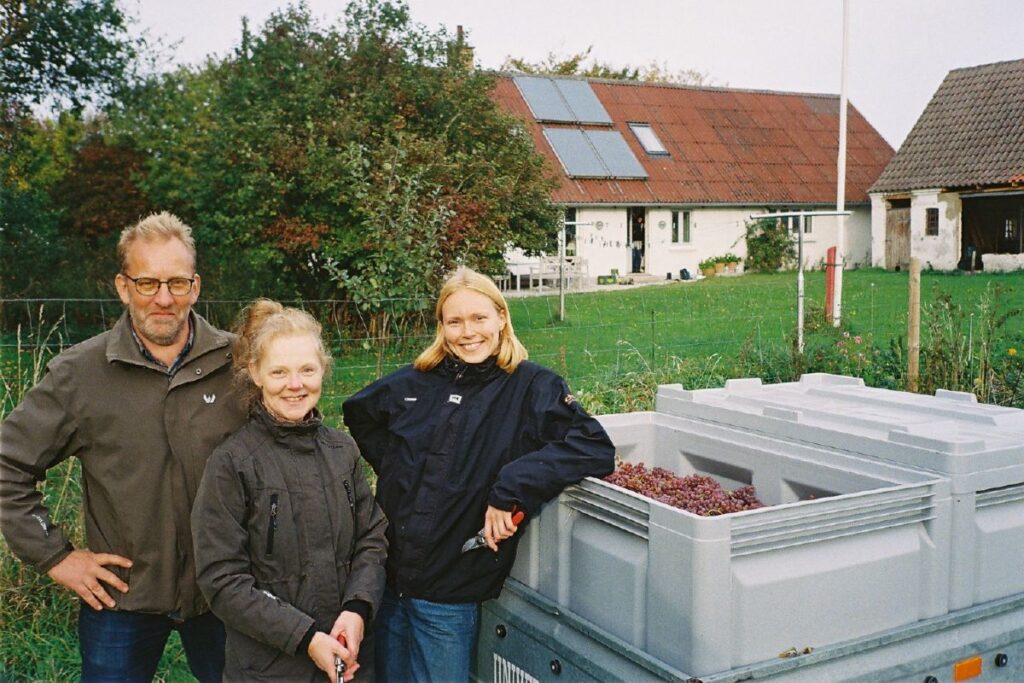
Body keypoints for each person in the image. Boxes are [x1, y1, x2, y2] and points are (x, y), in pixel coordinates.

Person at [0, 212, 248, 681]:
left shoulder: (239, 362)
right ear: (122, 286)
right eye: (147, 282)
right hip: (122, 598)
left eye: (177, 283)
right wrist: (57, 556)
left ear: (195, 287)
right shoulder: (80, 374)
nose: (163, 298)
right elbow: (7, 464)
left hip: (226, 590)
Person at [343, 266, 615, 682]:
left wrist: (510, 486)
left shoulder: (531, 387)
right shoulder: (419, 381)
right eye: (455, 321)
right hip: (387, 578)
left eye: (479, 318)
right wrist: (400, 474)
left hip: (450, 592)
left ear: (501, 317)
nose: (468, 332)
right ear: (442, 327)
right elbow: (359, 412)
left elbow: (593, 446)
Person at [191, 300, 387, 682]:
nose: (295, 385)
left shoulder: (342, 450)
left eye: (307, 370)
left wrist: (358, 608)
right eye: (279, 372)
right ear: (256, 373)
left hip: (349, 657)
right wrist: (305, 637)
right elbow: (222, 579)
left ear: (323, 371)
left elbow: (372, 537)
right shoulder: (233, 463)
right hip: (269, 669)